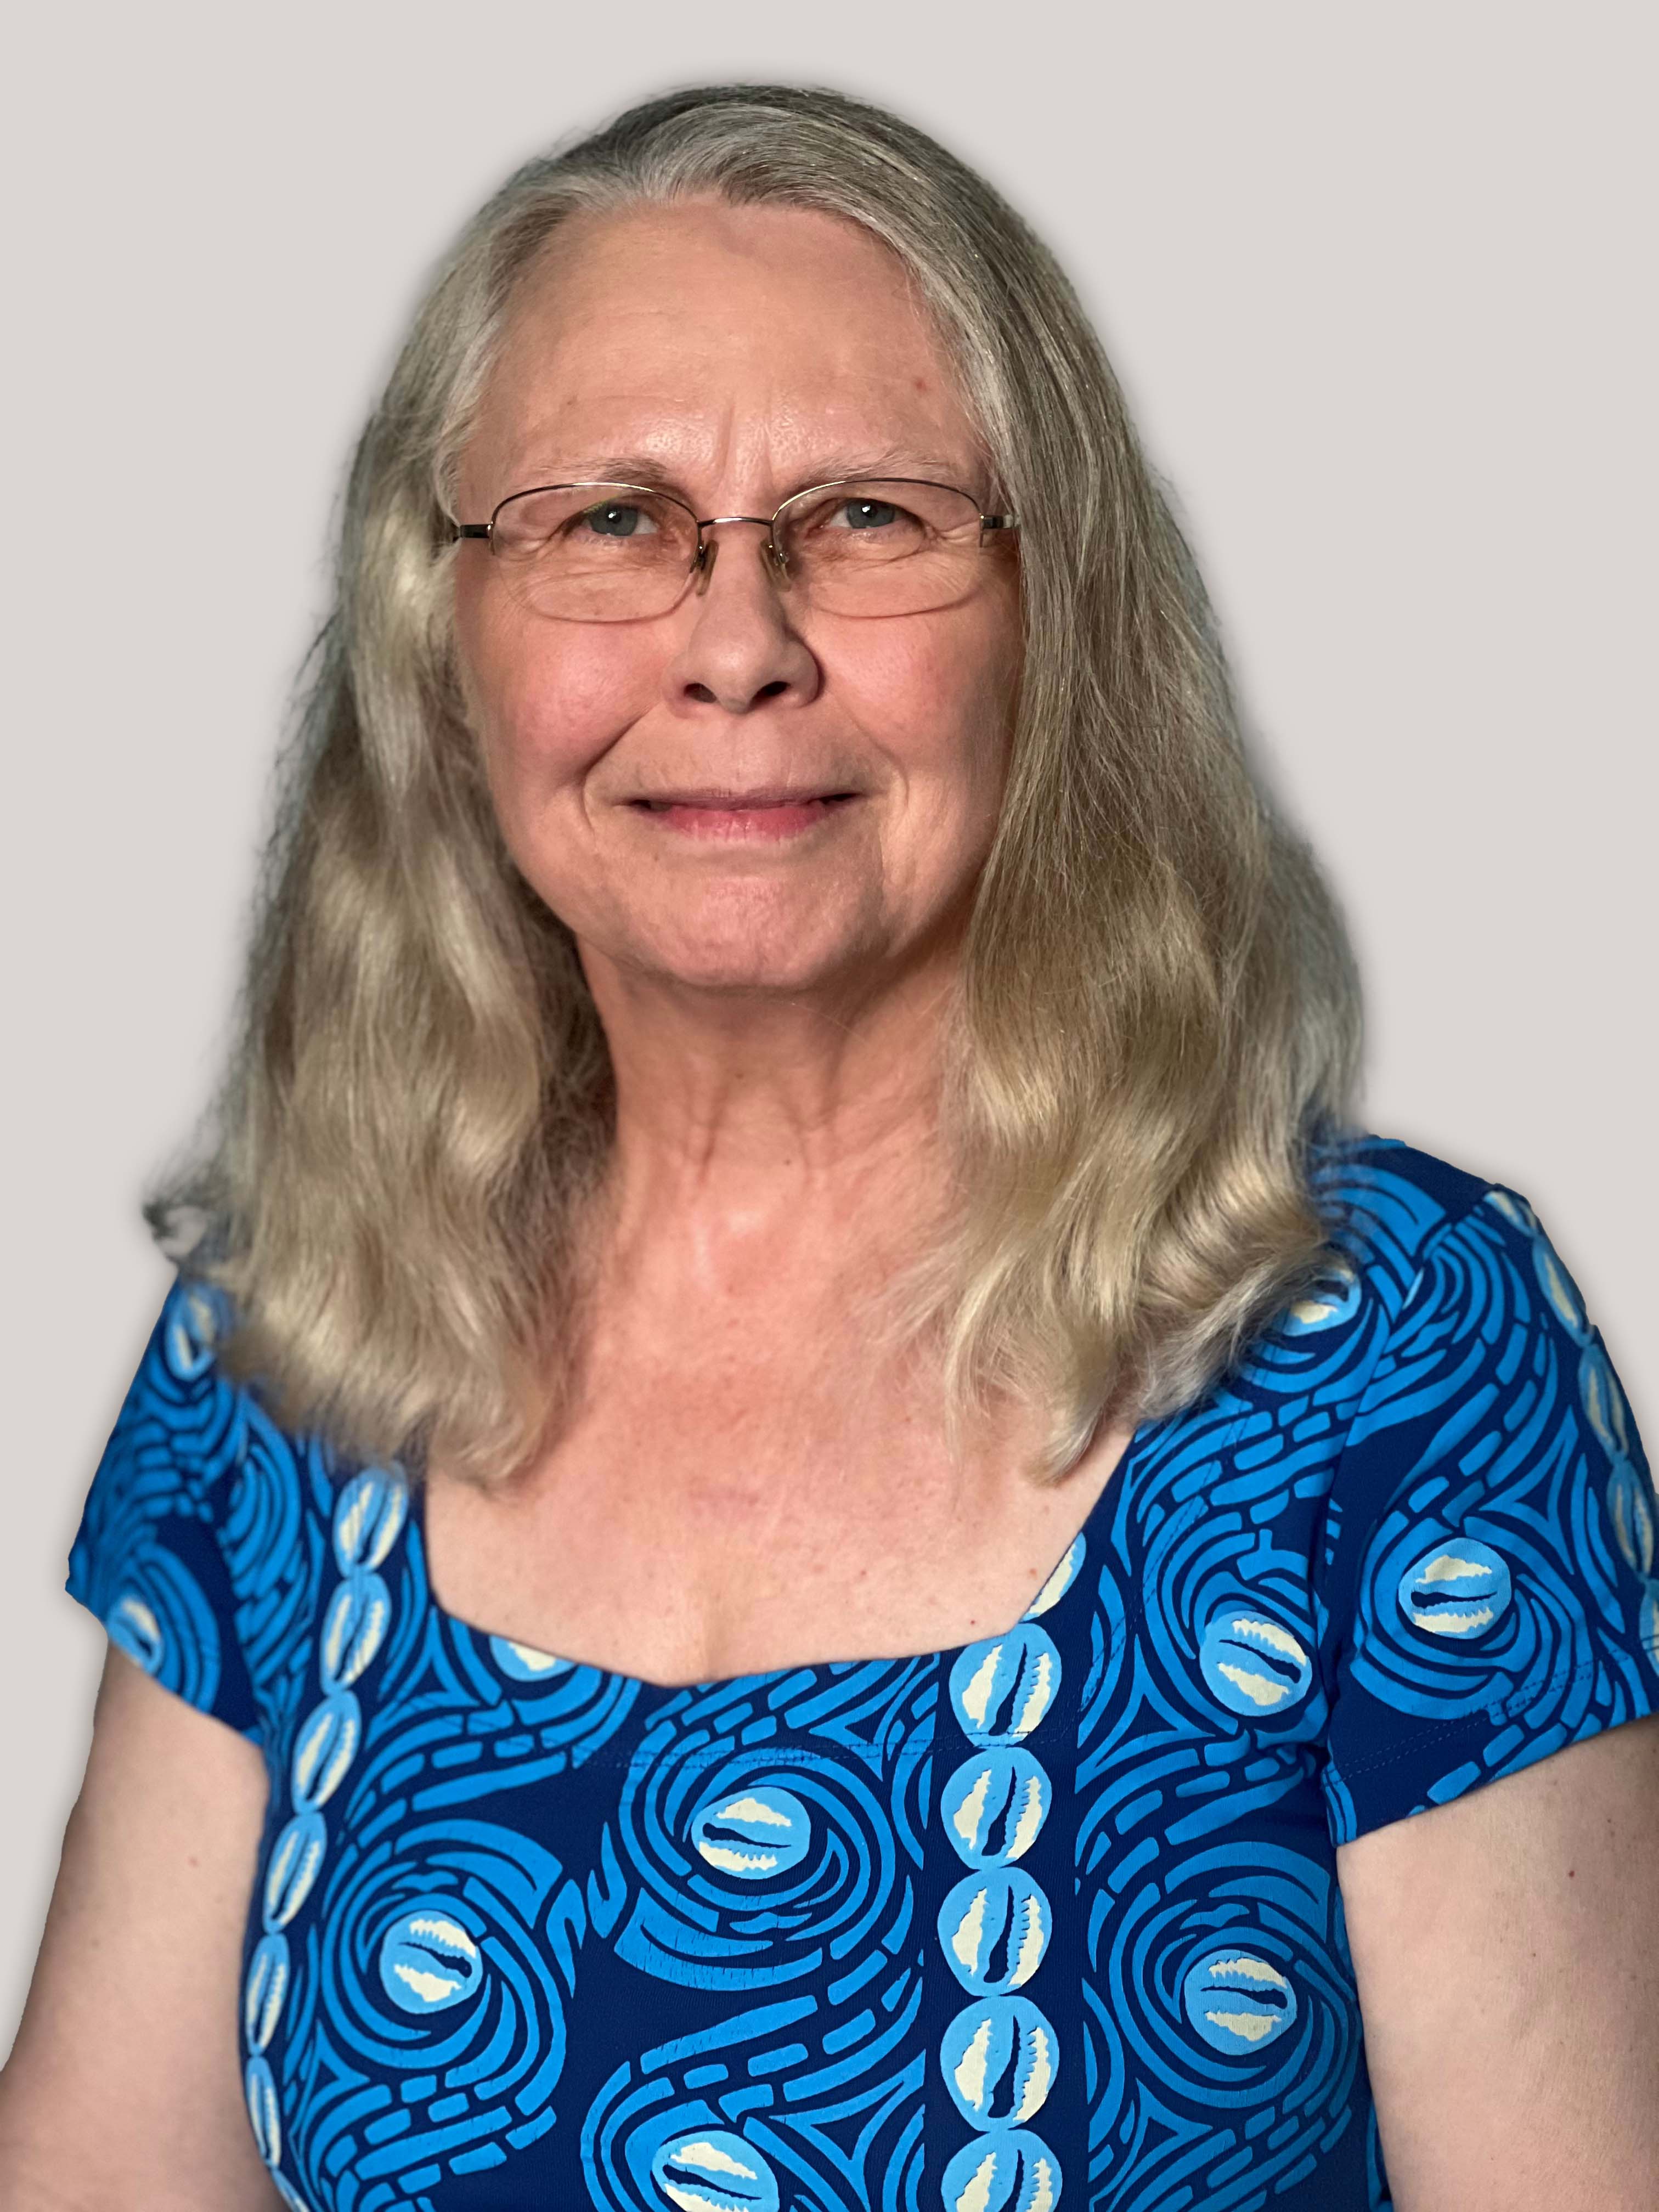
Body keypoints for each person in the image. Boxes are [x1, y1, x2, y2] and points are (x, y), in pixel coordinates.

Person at [1, 79, 1654, 2212]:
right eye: (613, 521)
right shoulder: (298, 1338)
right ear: (442, 639)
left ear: (1059, 619)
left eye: (867, 516)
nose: (736, 647)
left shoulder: (1385, 1346)